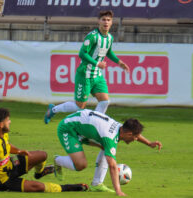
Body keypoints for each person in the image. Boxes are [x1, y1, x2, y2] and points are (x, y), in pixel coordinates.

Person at [44, 10, 130, 192]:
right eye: (103, 20)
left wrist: (119, 62)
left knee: (105, 101)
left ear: (112, 22)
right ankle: (54, 110)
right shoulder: (92, 36)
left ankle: (94, 120)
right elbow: (81, 54)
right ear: (99, 21)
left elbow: (109, 52)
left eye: (108, 20)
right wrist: (96, 63)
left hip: (98, 76)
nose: (106, 22)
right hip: (85, 75)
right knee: (78, 106)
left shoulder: (110, 38)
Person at [0, 108, 88, 193]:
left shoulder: (2, 134)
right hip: (3, 181)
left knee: (42, 155)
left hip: (11, 165)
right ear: (0, 125)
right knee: (38, 187)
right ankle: (68, 187)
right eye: (7, 120)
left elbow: (7, 146)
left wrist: (19, 151)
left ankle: (39, 173)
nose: (10, 122)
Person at [53, 109, 162, 196]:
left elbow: (135, 134)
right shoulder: (109, 137)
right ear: (129, 134)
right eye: (135, 137)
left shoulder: (120, 128)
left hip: (82, 127)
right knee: (81, 165)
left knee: (105, 149)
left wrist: (149, 143)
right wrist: (118, 191)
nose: (136, 139)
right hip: (68, 129)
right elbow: (112, 166)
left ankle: (96, 184)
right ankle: (57, 161)